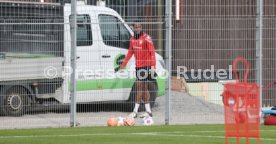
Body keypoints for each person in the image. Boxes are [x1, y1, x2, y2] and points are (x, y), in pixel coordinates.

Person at [118, 21, 156, 118]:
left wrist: (153, 66)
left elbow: (152, 52)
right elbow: (130, 53)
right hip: (138, 67)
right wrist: (123, 64)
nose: (138, 29)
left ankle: (135, 111)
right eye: (136, 27)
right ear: (133, 28)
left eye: (139, 27)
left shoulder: (146, 38)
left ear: (141, 27)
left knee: (139, 86)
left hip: (146, 66)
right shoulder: (132, 39)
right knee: (144, 89)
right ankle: (148, 111)